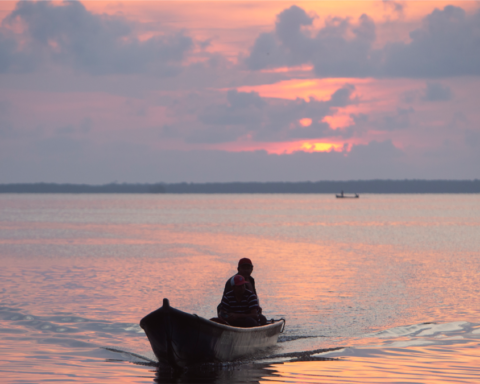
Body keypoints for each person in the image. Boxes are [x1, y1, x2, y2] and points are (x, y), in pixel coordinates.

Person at [219, 258, 267, 325]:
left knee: (262, 319)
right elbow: (224, 304)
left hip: (249, 311)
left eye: (248, 268)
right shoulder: (232, 282)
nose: (246, 271)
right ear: (238, 269)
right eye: (244, 268)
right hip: (234, 313)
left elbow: (253, 297)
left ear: (252, 269)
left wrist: (256, 307)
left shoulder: (251, 280)